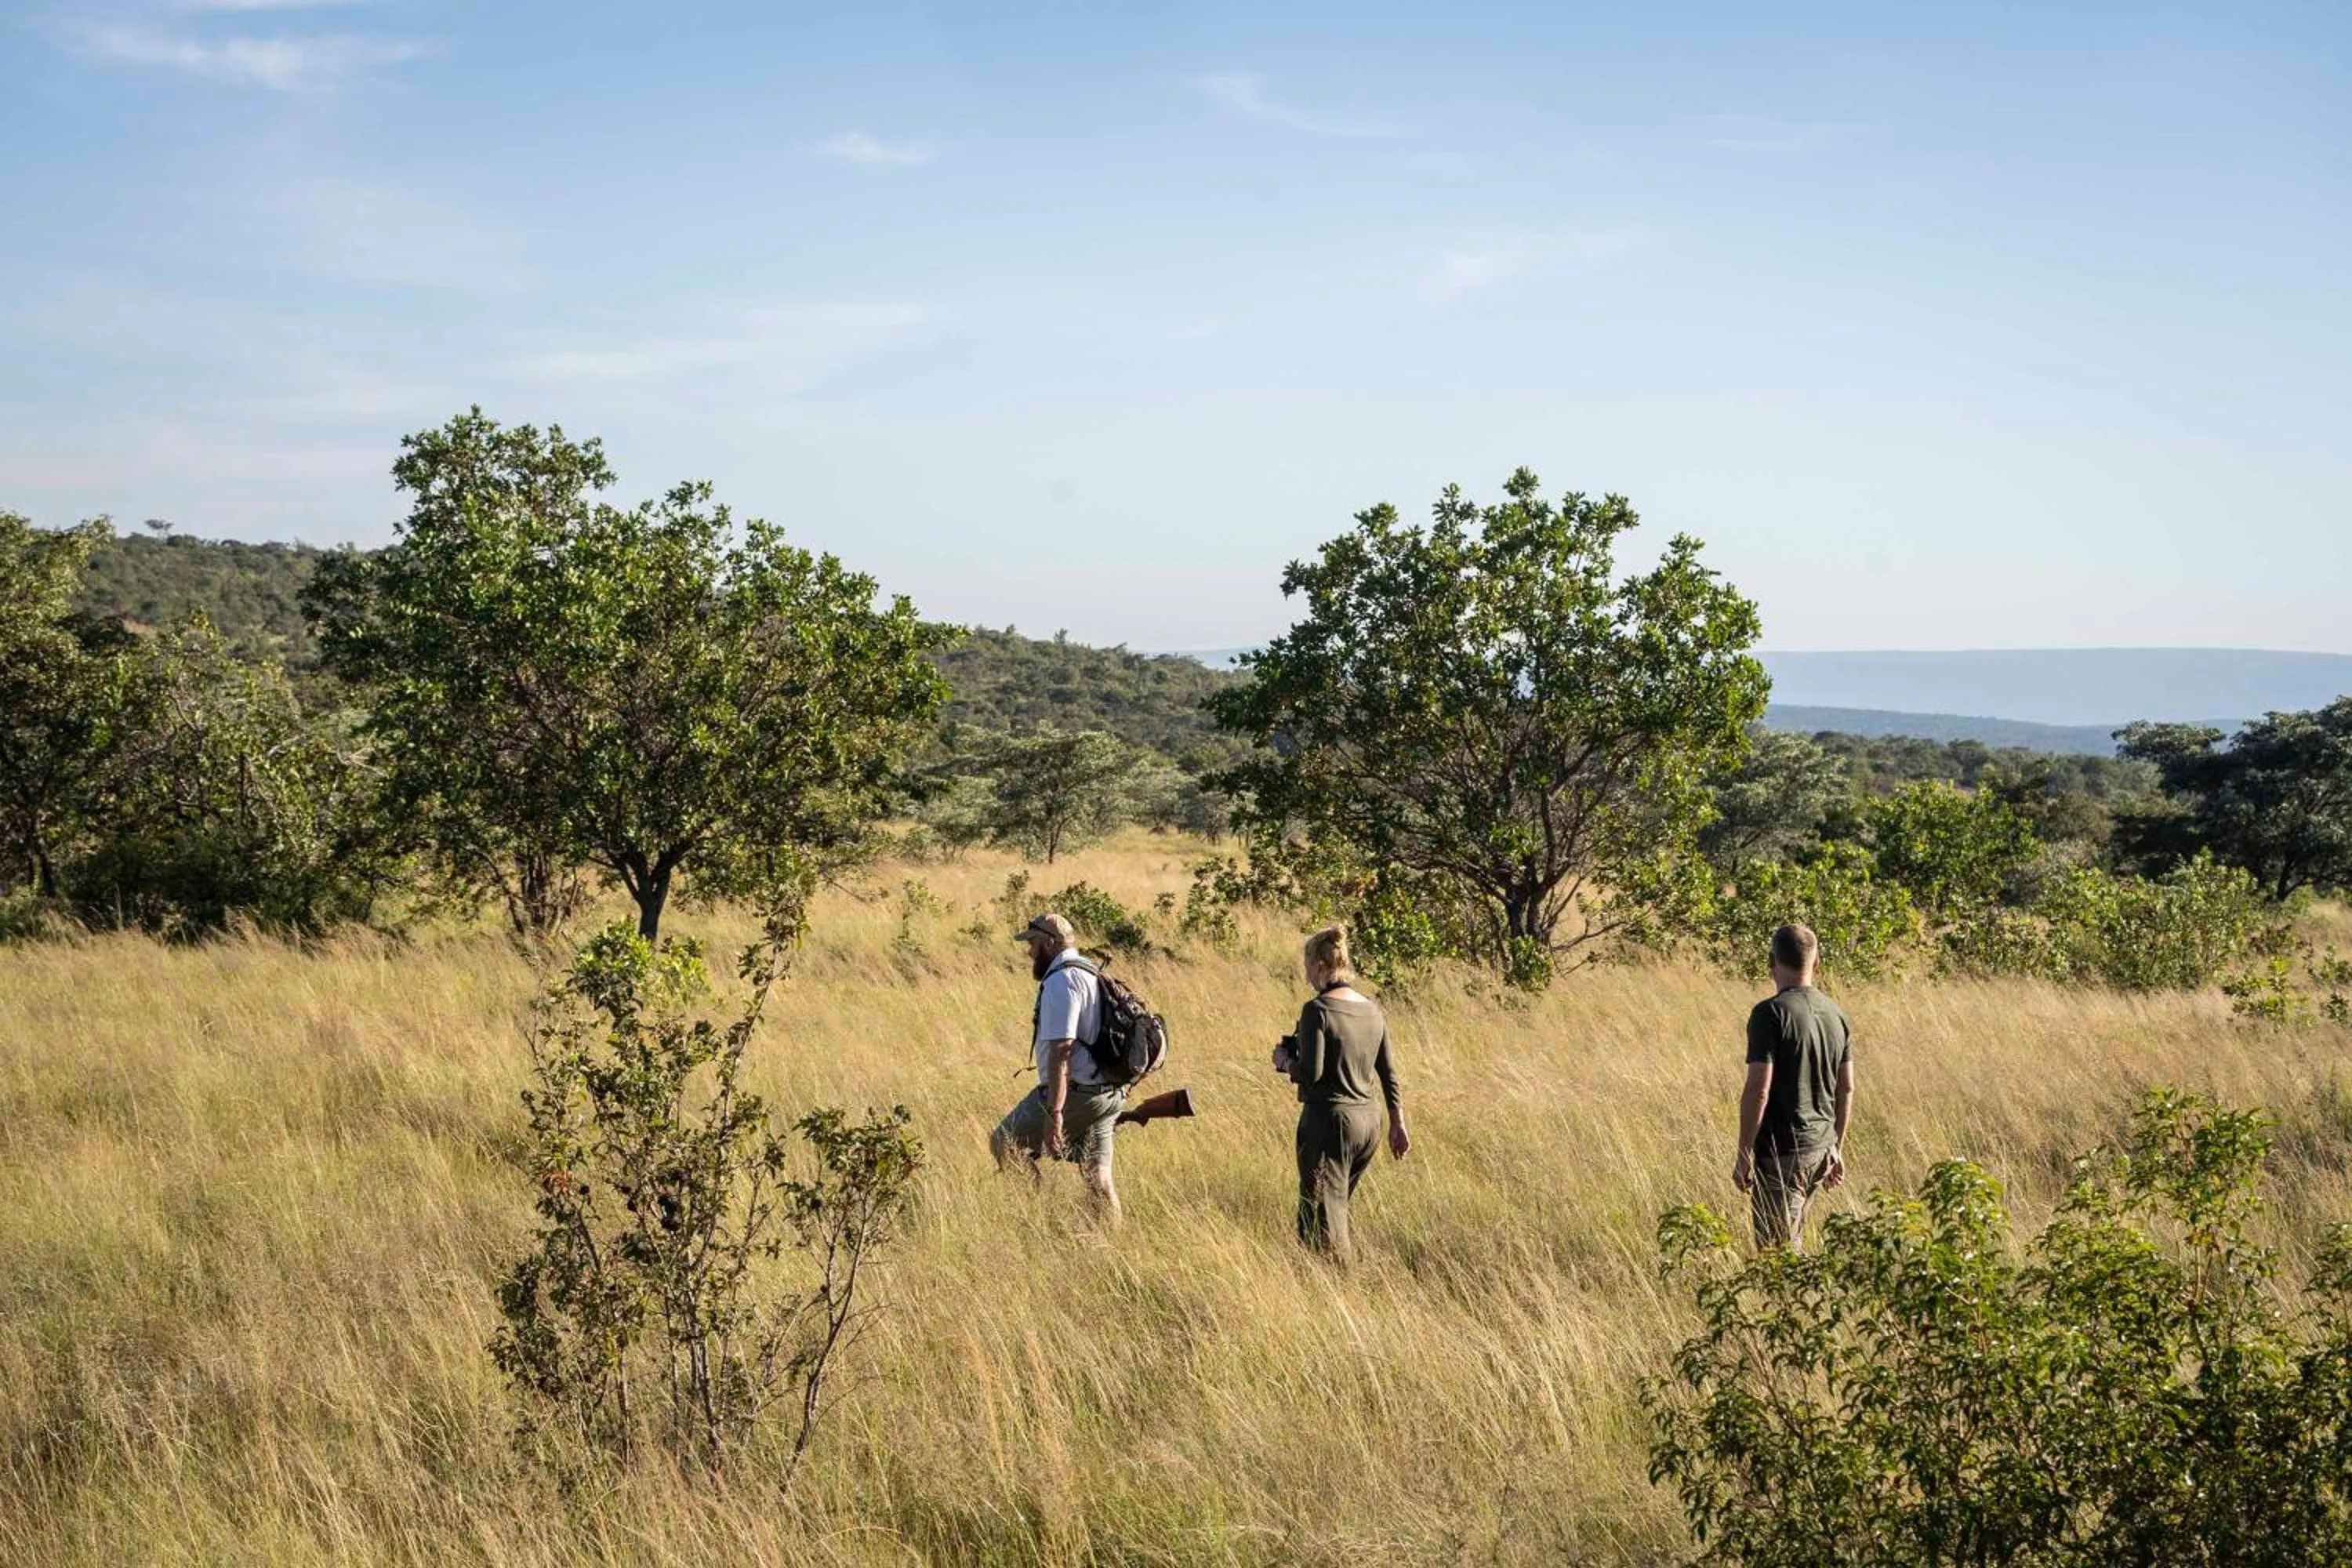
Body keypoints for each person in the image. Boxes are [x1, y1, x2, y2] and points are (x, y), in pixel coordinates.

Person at [1272, 924, 1408, 1265]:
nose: (1305, 976)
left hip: (1330, 1122)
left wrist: (1286, 1061)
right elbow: (1388, 1072)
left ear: (1320, 966)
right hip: (1370, 1122)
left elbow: (1312, 1073)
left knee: (1318, 1219)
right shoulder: (1373, 1009)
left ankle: (1337, 1286)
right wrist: (1397, 1123)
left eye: (1307, 967)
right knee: (1336, 1208)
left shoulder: (1317, 1011)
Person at [991, 912, 1126, 1223]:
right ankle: (1112, 1244)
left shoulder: (1061, 982)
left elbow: (1061, 1052)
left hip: (1077, 1093)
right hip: (1107, 1093)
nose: (1029, 952)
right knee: (1099, 1178)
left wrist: (1055, 1113)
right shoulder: (1091, 971)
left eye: (1033, 944)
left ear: (1049, 944)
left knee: (1003, 1142)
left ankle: (1037, 1214)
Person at [1732, 921, 1856, 1250]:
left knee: (1778, 1256)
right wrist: (1836, 1148)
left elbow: (1759, 1089)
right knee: (1792, 1241)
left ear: (1771, 961)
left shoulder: (1769, 1014)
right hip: (1821, 1148)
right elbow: (1846, 1089)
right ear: (1816, 962)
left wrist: (1745, 1152)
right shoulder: (1836, 1014)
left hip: (1783, 1153)